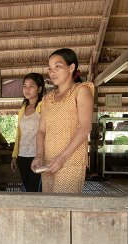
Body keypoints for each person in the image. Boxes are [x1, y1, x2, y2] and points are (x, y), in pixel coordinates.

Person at [31, 48, 94, 193]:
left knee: (65, 207)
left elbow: (85, 128)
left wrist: (62, 158)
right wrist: (39, 156)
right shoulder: (47, 98)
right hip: (48, 162)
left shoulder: (81, 91)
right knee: (51, 205)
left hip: (70, 161)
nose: (52, 72)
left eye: (57, 66)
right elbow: (41, 131)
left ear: (71, 67)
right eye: (50, 68)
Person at [11, 73, 45, 192]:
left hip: (38, 156)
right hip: (22, 155)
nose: (27, 89)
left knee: (36, 189)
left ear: (39, 89)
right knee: (28, 188)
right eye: (25, 86)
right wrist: (14, 156)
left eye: (31, 86)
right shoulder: (23, 108)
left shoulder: (44, 106)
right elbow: (19, 134)